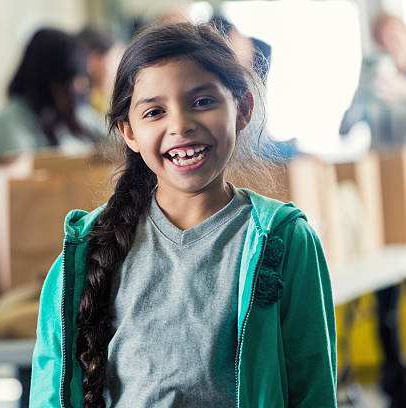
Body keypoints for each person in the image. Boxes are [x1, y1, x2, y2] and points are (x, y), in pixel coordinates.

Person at [30, 22, 337, 407]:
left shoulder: (283, 240)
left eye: (202, 101)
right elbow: (51, 388)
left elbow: (312, 390)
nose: (180, 126)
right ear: (129, 132)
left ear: (243, 108)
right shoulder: (87, 249)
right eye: (155, 111)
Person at [340, 13, 406, 407]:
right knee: (385, 296)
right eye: (382, 37)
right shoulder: (371, 80)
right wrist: (369, 98)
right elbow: (347, 127)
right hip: (385, 196)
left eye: (394, 34)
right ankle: (392, 376)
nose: (389, 42)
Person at [0, 28, 105, 156]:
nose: (80, 86)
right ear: (46, 80)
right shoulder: (11, 123)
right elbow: (21, 173)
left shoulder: (72, 114)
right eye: (70, 80)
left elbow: (116, 140)